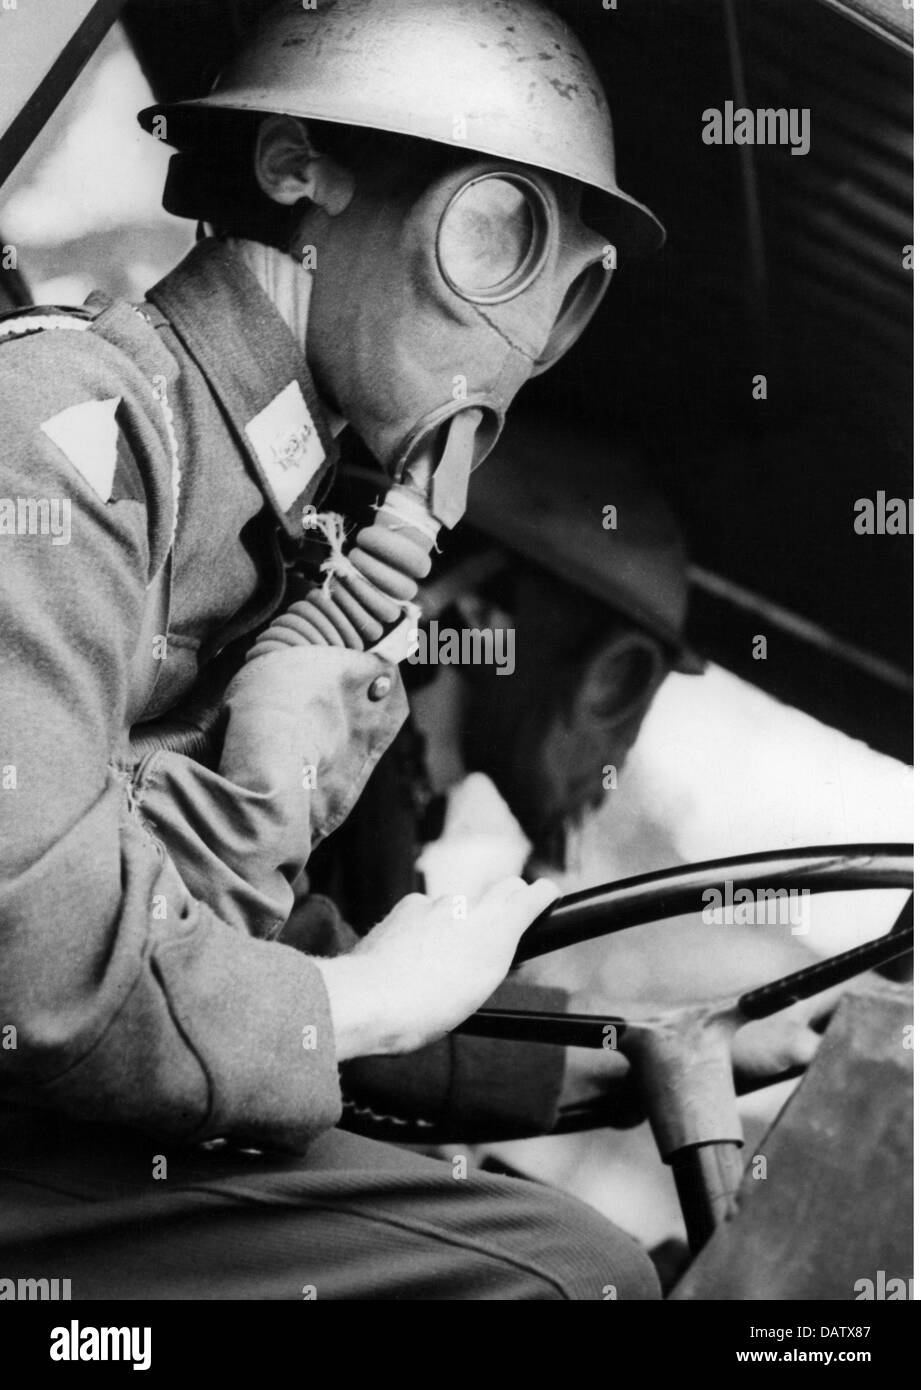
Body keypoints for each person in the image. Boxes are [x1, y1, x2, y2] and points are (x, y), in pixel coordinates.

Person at [0, 0, 819, 1301]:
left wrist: (619, 1056)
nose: (515, 336)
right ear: (290, 164)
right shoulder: (68, 431)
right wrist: (369, 999)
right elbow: (35, 962)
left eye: (566, 284)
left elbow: (247, 959)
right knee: (569, 1278)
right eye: (496, 232)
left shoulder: (274, 514)